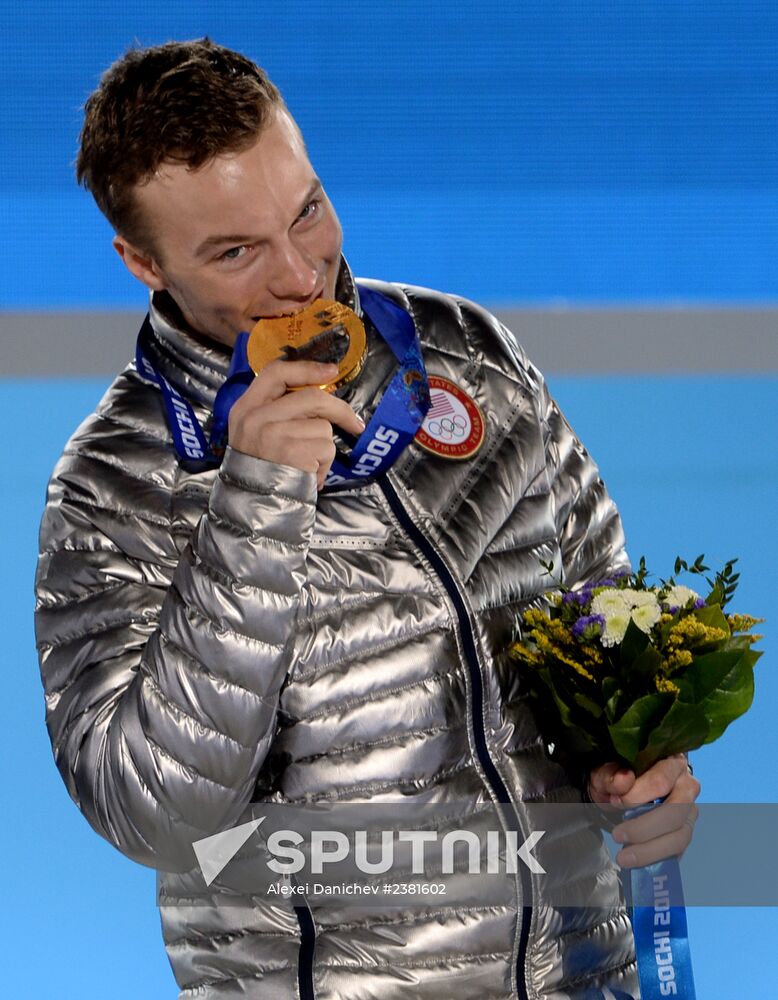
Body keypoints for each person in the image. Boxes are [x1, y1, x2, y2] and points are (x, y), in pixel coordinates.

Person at [35, 38, 699, 999]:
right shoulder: (113, 484)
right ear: (142, 262)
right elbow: (159, 818)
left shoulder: (468, 352)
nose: (302, 276)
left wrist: (636, 761)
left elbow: (604, 619)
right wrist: (255, 508)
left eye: (306, 211)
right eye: (235, 252)